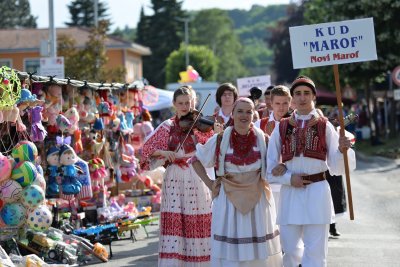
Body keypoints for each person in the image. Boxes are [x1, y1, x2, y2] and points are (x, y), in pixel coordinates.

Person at [267, 76, 356, 267]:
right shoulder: (281, 127)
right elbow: (269, 169)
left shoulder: (325, 126)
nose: (302, 98)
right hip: (290, 195)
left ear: (314, 96)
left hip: (317, 193)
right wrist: (290, 179)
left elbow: (337, 167)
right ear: (292, 99)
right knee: (290, 250)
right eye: (297, 93)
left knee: (315, 253)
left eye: (306, 93)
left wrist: (341, 150)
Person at [193, 97, 282, 267]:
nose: (244, 115)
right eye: (240, 111)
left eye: (248, 112)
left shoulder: (263, 139)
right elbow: (196, 160)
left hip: (257, 199)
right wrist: (210, 184)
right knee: (230, 253)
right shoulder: (220, 138)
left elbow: (276, 164)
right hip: (228, 200)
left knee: (257, 252)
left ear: (254, 115)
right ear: (232, 113)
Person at [141, 86, 214, 267]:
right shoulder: (167, 126)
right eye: (180, 103)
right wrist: (165, 153)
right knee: (176, 219)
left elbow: (212, 149)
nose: (184, 106)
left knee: (197, 217)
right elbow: (145, 151)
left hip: (196, 173)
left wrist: (216, 132)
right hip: (174, 176)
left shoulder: (200, 125)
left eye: (187, 102)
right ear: (174, 104)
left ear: (193, 102)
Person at [255, 85, 292, 213]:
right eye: (277, 103)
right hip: (267, 182)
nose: (281, 107)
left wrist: (285, 164)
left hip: (288, 181)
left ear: (290, 102)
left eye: (285, 103)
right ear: (271, 103)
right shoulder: (259, 124)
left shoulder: (296, 124)